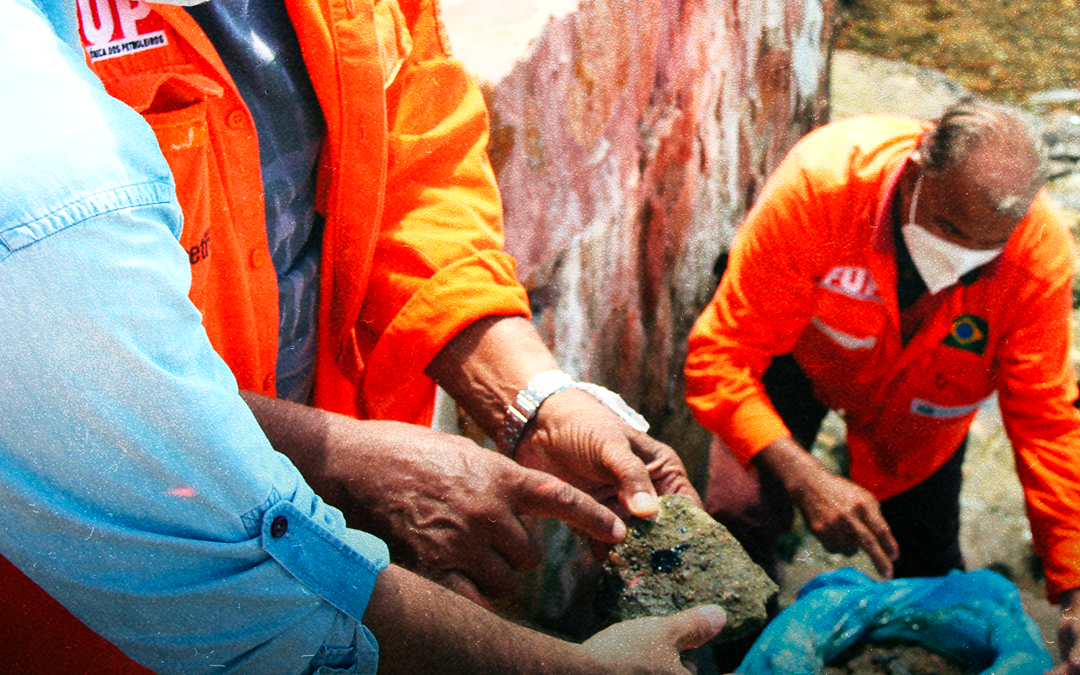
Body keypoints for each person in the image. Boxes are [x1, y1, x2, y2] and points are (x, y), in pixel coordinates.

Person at [0, 0, 727, 673]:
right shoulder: (33, 109)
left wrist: (532, 398)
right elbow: (87, 393)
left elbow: (417, 160)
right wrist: (340, 464)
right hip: (105, 612)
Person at [684, 97, 1080, 673]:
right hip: (797, 356)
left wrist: (1073, 582)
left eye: (986, 248)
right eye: (949, 229)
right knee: (738, 518)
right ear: (918, 173)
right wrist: (807, 477)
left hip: (925, 406)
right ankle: (750, 653)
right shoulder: (822, 186)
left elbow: (1045, 422)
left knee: (928, 559)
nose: (962, 258)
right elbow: (719, 358)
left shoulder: (1038, 256)